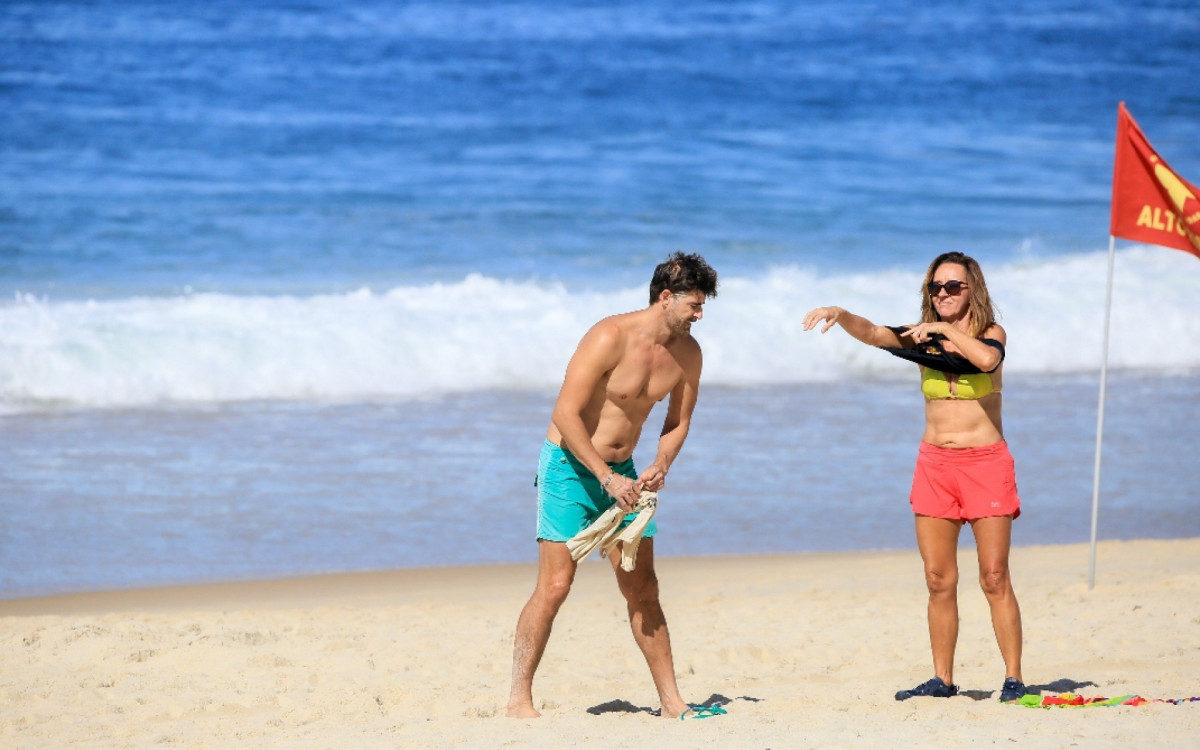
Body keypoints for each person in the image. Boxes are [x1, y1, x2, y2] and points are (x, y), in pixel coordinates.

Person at [802, 251, 1028, 704]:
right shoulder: (919, 340)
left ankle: (1014, 678)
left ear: (972, 290)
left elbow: (986, 361)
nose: (943, 294)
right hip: (935, 466)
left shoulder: (990, 334)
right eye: (936, 288)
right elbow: (873, 334)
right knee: (938, 578)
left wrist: (944, 330)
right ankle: (943, 680)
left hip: (985, 463)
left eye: (953, 286)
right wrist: (840, 313)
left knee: (994, 576)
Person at [506, 252, 719, 720]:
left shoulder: (688, 354)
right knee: (556, 585)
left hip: (626, 473)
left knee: (643, 588)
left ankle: (672, 704)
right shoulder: (609, 336)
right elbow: (565, 412)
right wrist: (605, 478)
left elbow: (678, 421)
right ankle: (519, 700)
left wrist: (662, 463)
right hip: (570, 467)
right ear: (666, 297)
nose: (700, 315)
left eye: (703, 307)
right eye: (695, 305)